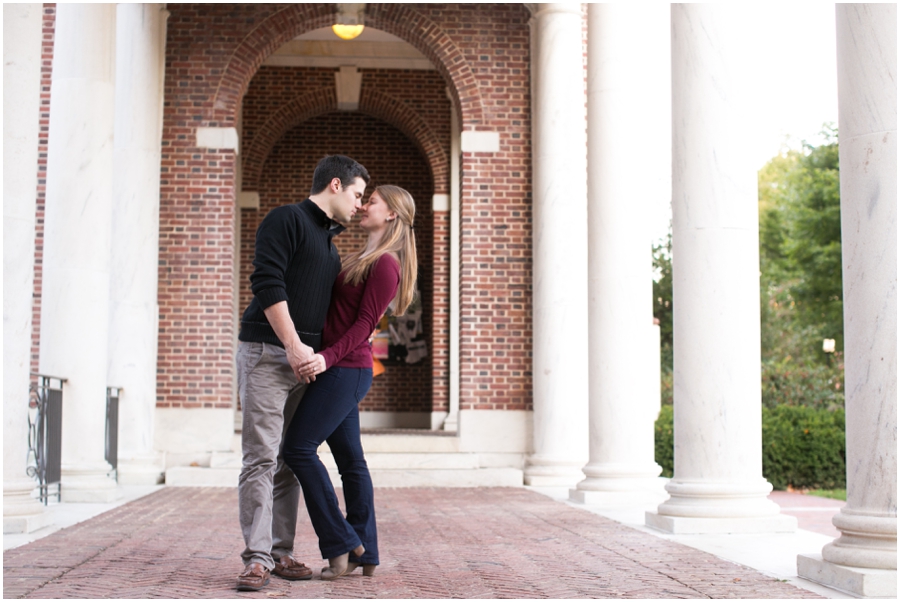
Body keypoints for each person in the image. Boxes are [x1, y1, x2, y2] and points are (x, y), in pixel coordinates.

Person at [234, 155, 369, 592]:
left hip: (303, 364)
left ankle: (279, 551)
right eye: (357, 194)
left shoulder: (330, 246)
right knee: (261, 456)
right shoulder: (286, 219)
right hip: (267, 354)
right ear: (335, 184)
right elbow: (266, 282)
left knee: (289, 460)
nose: (360, 205)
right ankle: (256, 559)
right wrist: (293, 346)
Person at [282, 185, 419, 580]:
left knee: (298, 448)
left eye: (371, 201)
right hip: (344, 368)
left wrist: (324, 358)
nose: (363, 206)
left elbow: (364, 326)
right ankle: (365, 551)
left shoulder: (386, 264)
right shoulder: (365, 255)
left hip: (346, 369)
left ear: (391, 213)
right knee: (351, 463)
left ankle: (342, 543)